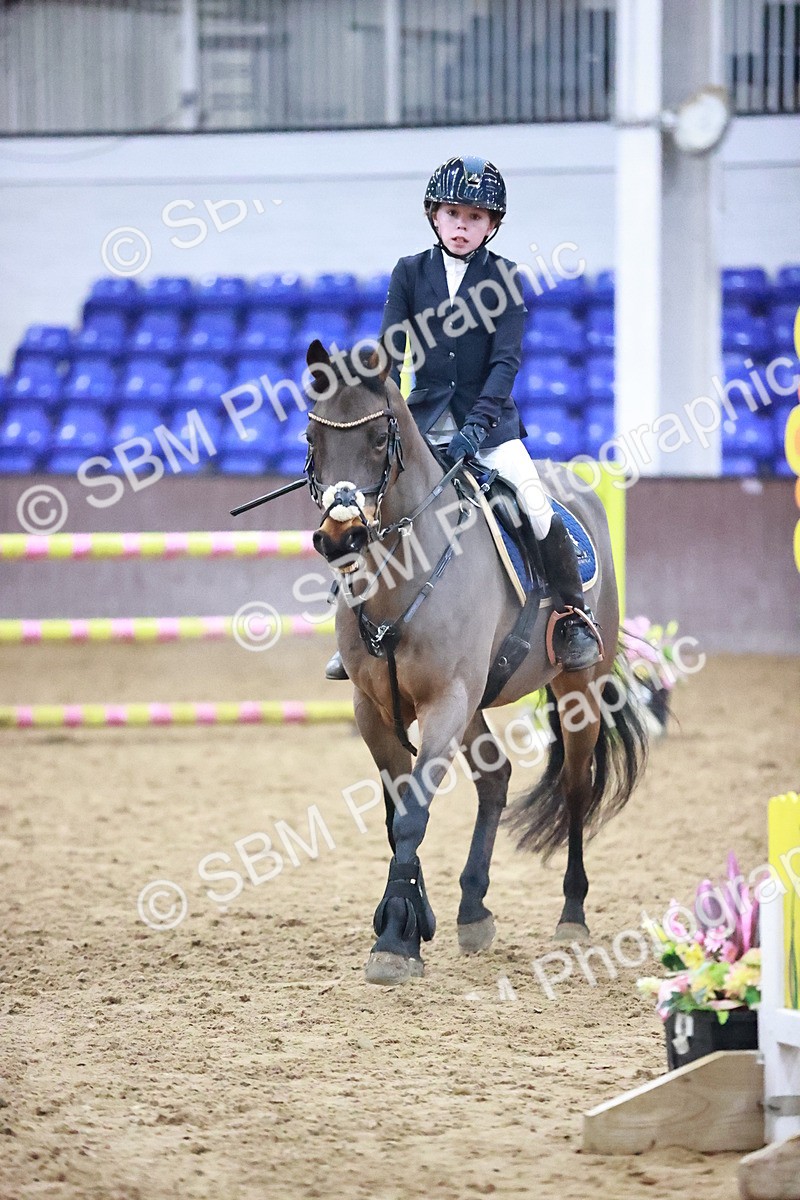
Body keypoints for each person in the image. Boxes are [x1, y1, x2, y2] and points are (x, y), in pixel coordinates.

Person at [325, 154, 601, 680]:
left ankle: (571, 617)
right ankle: (357, 632)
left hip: (490, 427)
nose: (461, 224)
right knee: (368, 509)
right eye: (453, 213)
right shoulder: (409, 272)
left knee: (534, 504)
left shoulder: (506, 279)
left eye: (475, 217)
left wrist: (476, 426)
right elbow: (391, 351)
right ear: (435, 215)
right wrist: (381, 406)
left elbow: (505, 363)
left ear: (492, 225)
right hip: (422, 426)